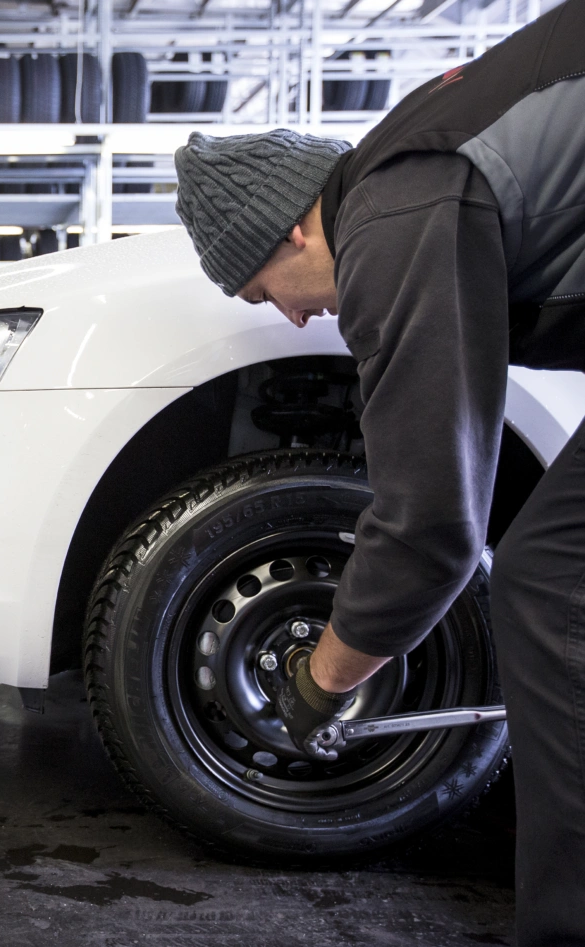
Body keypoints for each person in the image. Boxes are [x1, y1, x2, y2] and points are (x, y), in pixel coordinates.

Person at [172, 2, 585, 941]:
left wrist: (320, 682)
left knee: (554, 579)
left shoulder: (392, 213)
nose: (284, 319)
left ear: (291, 235)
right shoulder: (417, 164)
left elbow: (431, 530)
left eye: (258, 290)